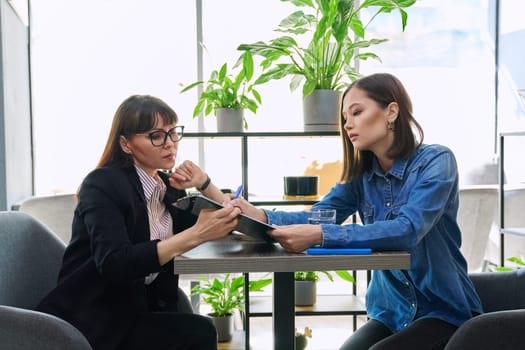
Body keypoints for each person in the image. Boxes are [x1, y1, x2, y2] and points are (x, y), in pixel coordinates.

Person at [230, 73, 483, 350]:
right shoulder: (361, 176)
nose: (348, 123)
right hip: (391, 312)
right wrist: (259, 215)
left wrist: (320, 235)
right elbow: (319, 215)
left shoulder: (436, 162)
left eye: (357, 112)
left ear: (391, 112)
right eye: (345, 117)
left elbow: (407, 229)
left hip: (443, 312)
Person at [37, 94, 241, 350]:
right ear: (125, 144)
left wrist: (204, 183)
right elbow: (114, 263)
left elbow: (229, 220)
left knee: (196, 328)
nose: (170, 144)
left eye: (173, 132)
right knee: (200, 331)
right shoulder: (102, 184)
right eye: (156, 135)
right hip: (95, 317)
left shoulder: (167, 187)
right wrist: (196, 234)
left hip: (139, 308)